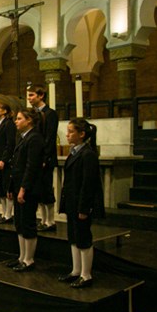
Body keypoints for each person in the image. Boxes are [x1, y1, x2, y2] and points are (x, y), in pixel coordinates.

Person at [58, 118, 105, 288]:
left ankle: (86, 274)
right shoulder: (74, 152)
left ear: (82, 134)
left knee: (83, 237)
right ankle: (75, 270)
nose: (67, 134)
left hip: (81, 203)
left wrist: (84, 207)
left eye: (71, 131)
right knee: (73, 237)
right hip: (72, 202)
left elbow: (88, 183)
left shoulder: (88, 154)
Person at [7, 108, 44, 272]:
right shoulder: (23, 137)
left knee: (28, 223)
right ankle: (21, 257)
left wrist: (23, 189)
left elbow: (31, 167)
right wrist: (11, 187)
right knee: (19, 223)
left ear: (29, 121)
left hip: (28, 188)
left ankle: (29, 259)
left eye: (19, 118)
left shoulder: (35, 138)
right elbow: (15, 165)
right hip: (18, 185)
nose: (16, 121)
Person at [27, 84, 58, 231]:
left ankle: (50, 221)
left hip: (46, 158)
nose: (29, 98)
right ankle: (43, 219)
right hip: (36, 157)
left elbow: (49, 138)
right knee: (38, 190)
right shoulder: (33, 114)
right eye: (28, 95)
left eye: (32, 95)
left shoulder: (50, 113)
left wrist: (45, 158)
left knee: (46, 189)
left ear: (41, 96)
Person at [0, 101, 17, 224]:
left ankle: (9, 214)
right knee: (0, 187)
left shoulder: (9, 124)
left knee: (7, 188)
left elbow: (9, 144)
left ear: (4, 111)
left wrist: (3, 160)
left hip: (5, 161)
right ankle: (3, 212)